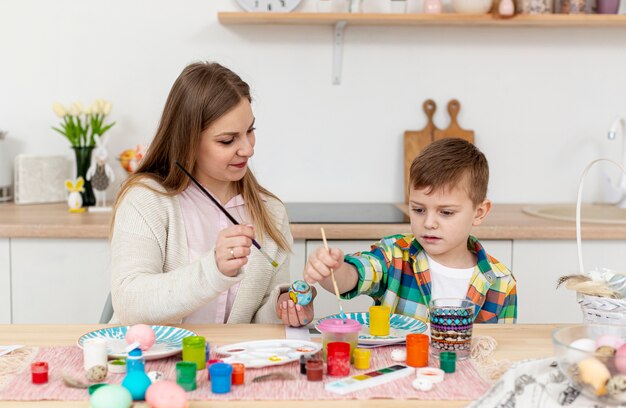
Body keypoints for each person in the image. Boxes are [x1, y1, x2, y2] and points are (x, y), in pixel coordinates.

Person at [110, 61, 313, 327]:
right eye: (228, 140)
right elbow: (129, 305)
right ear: (188, 141)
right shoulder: (145, 200)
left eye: (250, 131)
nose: (248, 149)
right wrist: (212, 270)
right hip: (151, 362)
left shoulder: (270, 211)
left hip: (228, 364)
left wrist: (283, 309)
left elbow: (258, 322)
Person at [303, 138, 516, 323]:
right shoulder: (394, 254)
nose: (429, 222)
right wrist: (333, 270)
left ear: (479, 212)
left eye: (446, 212)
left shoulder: (501, 281)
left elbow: (501, 351)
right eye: (419, 209)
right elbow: (354, 275)